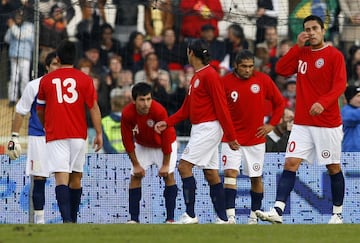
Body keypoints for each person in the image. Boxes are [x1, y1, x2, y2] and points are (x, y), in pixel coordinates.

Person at [255, 15, 347, 224]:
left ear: (323, 31)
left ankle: (337, 214)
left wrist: (323, 102)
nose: (311, 32)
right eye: (307, 29)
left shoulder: (334, 55)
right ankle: (278, 210)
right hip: (303, 122)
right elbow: (280, 70)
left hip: (327, 123)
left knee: (333, 167)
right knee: (290, 163)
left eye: (315, 28)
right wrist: (296, 46)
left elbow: (340, 85)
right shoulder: (302, 53)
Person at [155, 39, 240, 224]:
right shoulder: (197, 76)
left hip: (209, 128)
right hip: (200, 128)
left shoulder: (210, 75)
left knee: (184, 167)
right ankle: (224, 219)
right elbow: (186, 109)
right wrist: (167, 123)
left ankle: (191, 215)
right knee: (211, 173)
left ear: (190, 53)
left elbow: (222, 107)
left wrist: (231, 136)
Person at [36, 40, 103, 223]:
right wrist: (98, 133)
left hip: (56, 134)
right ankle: (73, 220)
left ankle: (66, 221)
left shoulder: (47, 80)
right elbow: (93, 107)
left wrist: (45, 125)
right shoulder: (84, 79)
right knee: (76, 177)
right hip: (79, 135)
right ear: (75, 58)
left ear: (58, 58)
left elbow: (39, 110)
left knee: (61, 177)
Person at [220, 50, 285, 224]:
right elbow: (219, 110)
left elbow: (280, 103)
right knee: (230, 173)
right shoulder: (224, 82)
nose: (248, 70)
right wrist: (227, 133)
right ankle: (230, 217)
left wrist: (272, 124)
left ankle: (253, 216)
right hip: (231, 139)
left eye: (250, 66)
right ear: (235, 65)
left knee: (256, 177)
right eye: (244, 66)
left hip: (255, 139)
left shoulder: (263, 80)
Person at [6, 52, 60, 224]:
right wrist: (14, 137)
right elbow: (21, 111)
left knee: (65, 177)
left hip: (61, 137)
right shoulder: (34, 86)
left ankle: (69, 219)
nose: (57, 68)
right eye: (54, 64)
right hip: (39, 138)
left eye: (60, 64)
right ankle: (40, 220)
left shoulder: (66, 87)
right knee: (39, 178)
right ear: (47, 66)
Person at [121, 82, 178, 224]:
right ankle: (134, 219)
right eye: (142, 100)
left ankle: (170, 219)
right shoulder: (127, 114)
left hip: (163, 146)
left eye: (148, 99)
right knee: (135, 176)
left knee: (169, 176)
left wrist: (165, 165)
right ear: (134, 101)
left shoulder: (159, 111)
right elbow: (127, 141)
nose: (146, 104)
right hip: (143, 145)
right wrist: (136, 165)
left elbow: (166, 138)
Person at [4, 9, 34, 107]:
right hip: (14, 55)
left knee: (25, 78)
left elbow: (19, 35)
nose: (18, 18)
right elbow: (7, 39)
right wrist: (11, 27)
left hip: (25, 56)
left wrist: (12, 27)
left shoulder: (30, 26)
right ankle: (12, 99)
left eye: (20, 16)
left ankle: (25, 100)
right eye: (17, 16)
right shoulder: (14, 26)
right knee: (14, 78)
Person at [101, 87, 132, 153]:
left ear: (112, 106)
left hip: (111, 159)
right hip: (128, 157)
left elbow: (105, 143)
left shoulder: (104, 121)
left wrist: (116, 155)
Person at [341, 85, 360, 152]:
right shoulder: (345, 111)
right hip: (351, 152)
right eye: (358, 96)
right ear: (350, 98)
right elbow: (352, 117)